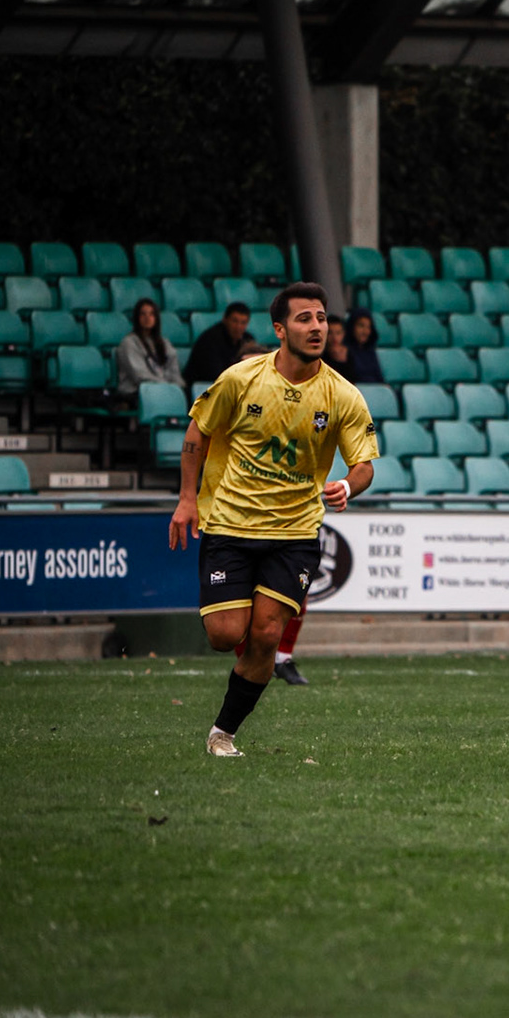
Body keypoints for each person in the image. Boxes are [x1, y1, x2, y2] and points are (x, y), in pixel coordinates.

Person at [169, 283, 378, 757]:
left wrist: (348, 484)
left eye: (322, 318)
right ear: (280, 329)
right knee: (226, 636)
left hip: (295, 534)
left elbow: (364, 463)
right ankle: (237, 688)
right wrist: (186, 499)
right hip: (230, 525)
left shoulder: (342, 395)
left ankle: (223, 732)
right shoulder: (241, 379)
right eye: (304, 318)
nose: (317, 327)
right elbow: (198, 430)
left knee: (265, 636)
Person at [115, 297, 183, 396]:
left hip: (163, 390)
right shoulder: (129, 343)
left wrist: (178, 387)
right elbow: (140, 376)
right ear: (137, 317)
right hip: (136, 393)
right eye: (143, 314)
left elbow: (173, 370)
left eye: (151, 314)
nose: (147, 318)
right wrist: (166, 386)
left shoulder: (164, 343)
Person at [184, 302, 255, 385]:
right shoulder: (209, 340)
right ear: (225, 320)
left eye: (243, 323)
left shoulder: (247, 339)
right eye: (235, 321)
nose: (238, 327)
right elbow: (215, 375)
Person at [340, 307, 386, 385]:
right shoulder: (343, 351)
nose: (365, 331)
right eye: (361, 326)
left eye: (368, 327)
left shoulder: (371, 352)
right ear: (352, 326)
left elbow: (379, 378)